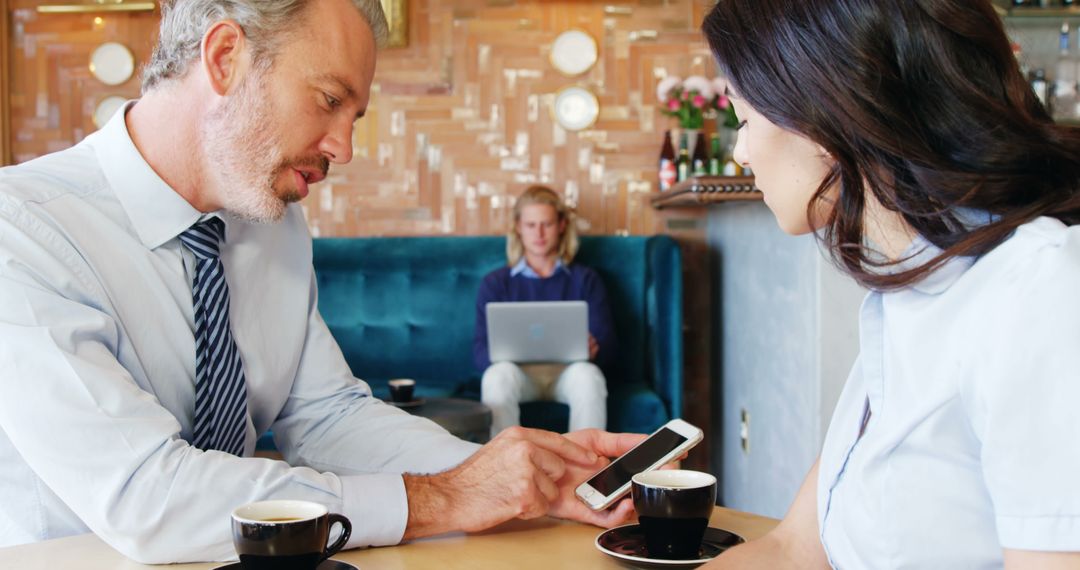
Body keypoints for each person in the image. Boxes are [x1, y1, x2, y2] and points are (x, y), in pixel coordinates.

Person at [0, 0, 641, 564]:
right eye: (331, 100)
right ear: (225, 58)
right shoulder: (22, 231)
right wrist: (445, 498)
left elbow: (327, 416)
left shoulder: (271, 224)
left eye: (354, 116)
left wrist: (519, 474)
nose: (344, 148)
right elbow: (149, 497)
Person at [700, 0, 1080, 568]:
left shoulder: (1035, 292)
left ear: (820, 112)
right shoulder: (901, 293)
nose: (741, 152)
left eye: (744, 118)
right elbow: (796, 548)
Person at [473, 186, 616, 437]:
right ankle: (506, 469)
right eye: (531, 225)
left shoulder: (585, 280)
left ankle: (588, 469)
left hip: (568, 373)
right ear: (518, 227)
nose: (538, 233)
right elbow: (479, 351)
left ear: (561, 225)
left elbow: (608, 344)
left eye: (546, 224)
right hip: (518, 375)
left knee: (589, 376)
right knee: (496, 377)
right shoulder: (496, 283)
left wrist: (595, 350)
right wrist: (498, 355)